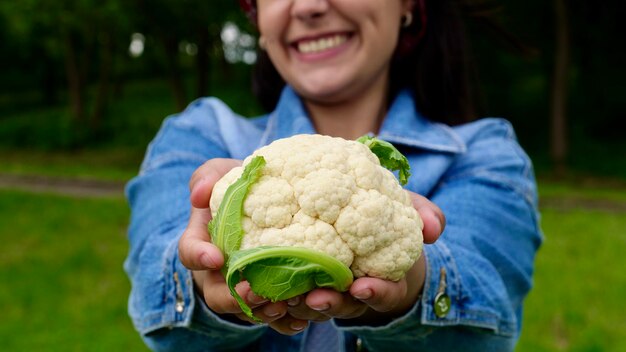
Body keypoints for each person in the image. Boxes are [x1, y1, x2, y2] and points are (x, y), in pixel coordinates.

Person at [124, 0, 543, 351]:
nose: (309, 6)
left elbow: (487, 311)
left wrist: (411, 279)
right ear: (258, 19)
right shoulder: (198, 133)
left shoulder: (485, 153)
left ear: (409, 7)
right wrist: (204, 274)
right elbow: (152, 282)